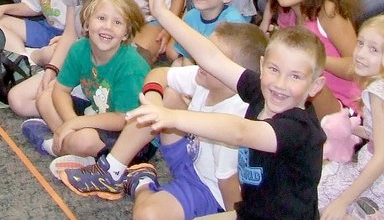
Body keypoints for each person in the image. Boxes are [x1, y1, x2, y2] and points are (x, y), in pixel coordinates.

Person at [128, 0, 328, 220]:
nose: (280, 84)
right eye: (274, 70)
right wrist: (162, 13)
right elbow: (211, 57)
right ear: (263, 65)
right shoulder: (260, 91)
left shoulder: (299, 128)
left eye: (295, 76)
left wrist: (172, 117)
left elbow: (239, 131)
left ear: (315, 86)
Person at [59, 23, 267, 217]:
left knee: (147, 215)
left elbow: (228, 185)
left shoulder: (235, 117)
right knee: (166, 95)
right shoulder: (204, 76)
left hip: (209, 189)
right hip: (190, 156)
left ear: (233, 73)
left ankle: (141, 182)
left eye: (212, 56)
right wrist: (153, 100)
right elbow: (159, 73)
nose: (201, 59)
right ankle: (112, 170)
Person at [20, 0, 149, 157]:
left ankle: (53, 146)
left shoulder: (131, 67)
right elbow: (61, 90)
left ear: (126, 33)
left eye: (117, 22)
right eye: (101, 18)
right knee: (45, 98)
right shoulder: (79, 49)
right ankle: (71, 145)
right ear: (87, 23)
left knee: (85, 140)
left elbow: (122, 119)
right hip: (96, 114)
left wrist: (76, 124)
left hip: (130, 136)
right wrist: (72, 123)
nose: (107, 27)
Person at [259, 0, 360, 119]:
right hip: (299, 98)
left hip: (342, 105)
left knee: (305, 78)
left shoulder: (327, 11)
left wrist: (312, 59)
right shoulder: (286, 15)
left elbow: (356, 68)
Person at [318, 15, 384, 219]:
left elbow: (382, 155)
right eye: (361, 43)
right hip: (372, 164)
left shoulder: (377, 91)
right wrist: (356, 129)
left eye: (374, 49)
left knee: (318, 198)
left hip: (377, 176)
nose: (361, 54)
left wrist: (343, 201)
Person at [173, 0, 246, 65]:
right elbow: (187, 56)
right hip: (198, 65)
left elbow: (235, 64)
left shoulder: (233, 23)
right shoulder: (190, 17)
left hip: (224, 69)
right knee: (177, 64)